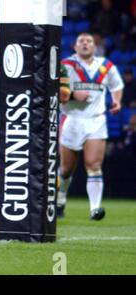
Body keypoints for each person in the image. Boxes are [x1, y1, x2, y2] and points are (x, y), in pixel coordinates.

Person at [58, 32, 124, 220]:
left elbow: (117, 85)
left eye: (89, 41)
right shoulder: (65, 66)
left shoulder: (106, 66)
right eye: (81, 41)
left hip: (96, 120)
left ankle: (95, 209)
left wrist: (117, 101)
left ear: (95, 47)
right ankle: (60, 199)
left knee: (93, 165)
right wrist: (73, 95)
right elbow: (53, 90)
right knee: (66, 169)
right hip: (71, 119)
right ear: (74, 46)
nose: (85, 44)